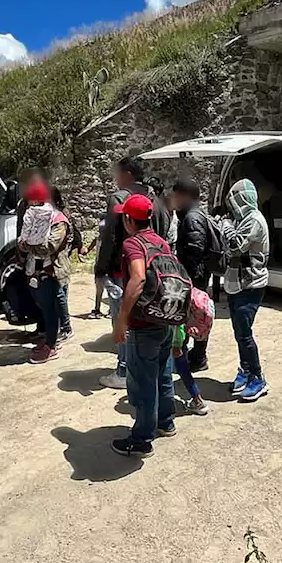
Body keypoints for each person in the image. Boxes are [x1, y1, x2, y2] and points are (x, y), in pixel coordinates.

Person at [110, 193, 177, 458]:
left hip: (144, 323)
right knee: (162, 373)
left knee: (143, 381)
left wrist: (121, 320)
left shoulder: (132, 245)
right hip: (165, 319)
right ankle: (165, 422)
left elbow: (137, 279)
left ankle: (141, 439)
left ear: (128, 219)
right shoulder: (161, 243)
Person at [96, 156, 169, 390]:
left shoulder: (119, 199)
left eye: (117, 173)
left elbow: (109, 238)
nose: (116, 178)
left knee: (123, 318)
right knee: (148, 317)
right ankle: (143, 365)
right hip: (154, 269)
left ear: (126, 174)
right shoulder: (156, 200)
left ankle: (123, 369)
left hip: (126, 271)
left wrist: (101, 269)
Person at [223, 179, 270, 403]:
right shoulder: (242, 220)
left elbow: (234, 245)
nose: (232, 206)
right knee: (239, 332)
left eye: (234, 201)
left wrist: (225, 226)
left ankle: (258, 378)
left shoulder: (254, 221)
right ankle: (245, 369)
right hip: (237, 283)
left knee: (245, 333)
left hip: (251, 284)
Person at [18, 180, 70, 363]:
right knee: (43, 306)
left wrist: (28, 246)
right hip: (34, 270)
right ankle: (49, 339)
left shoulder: (58, 220)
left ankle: (51, 345)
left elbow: (50, 246)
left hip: (50, 271)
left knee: (50, 308)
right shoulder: (32, 216)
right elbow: (24, 238)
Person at [168, 176, 214, 372]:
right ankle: (193, 356)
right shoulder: (192, 215)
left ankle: (195, 358)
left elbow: (195, 249)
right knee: (194, 316)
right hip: (195, 277)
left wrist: (185, 277)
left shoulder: (192, 218)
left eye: (176, 196)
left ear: (184, 196)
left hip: (193, 278)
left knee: (193, 316)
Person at [51, 186, 82, 343]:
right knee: (59, 293)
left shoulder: (61, 216)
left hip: (60, 260)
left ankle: (65, 327)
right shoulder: (56, 214)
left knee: (59, 294)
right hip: (60, 259)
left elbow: (72, 235)